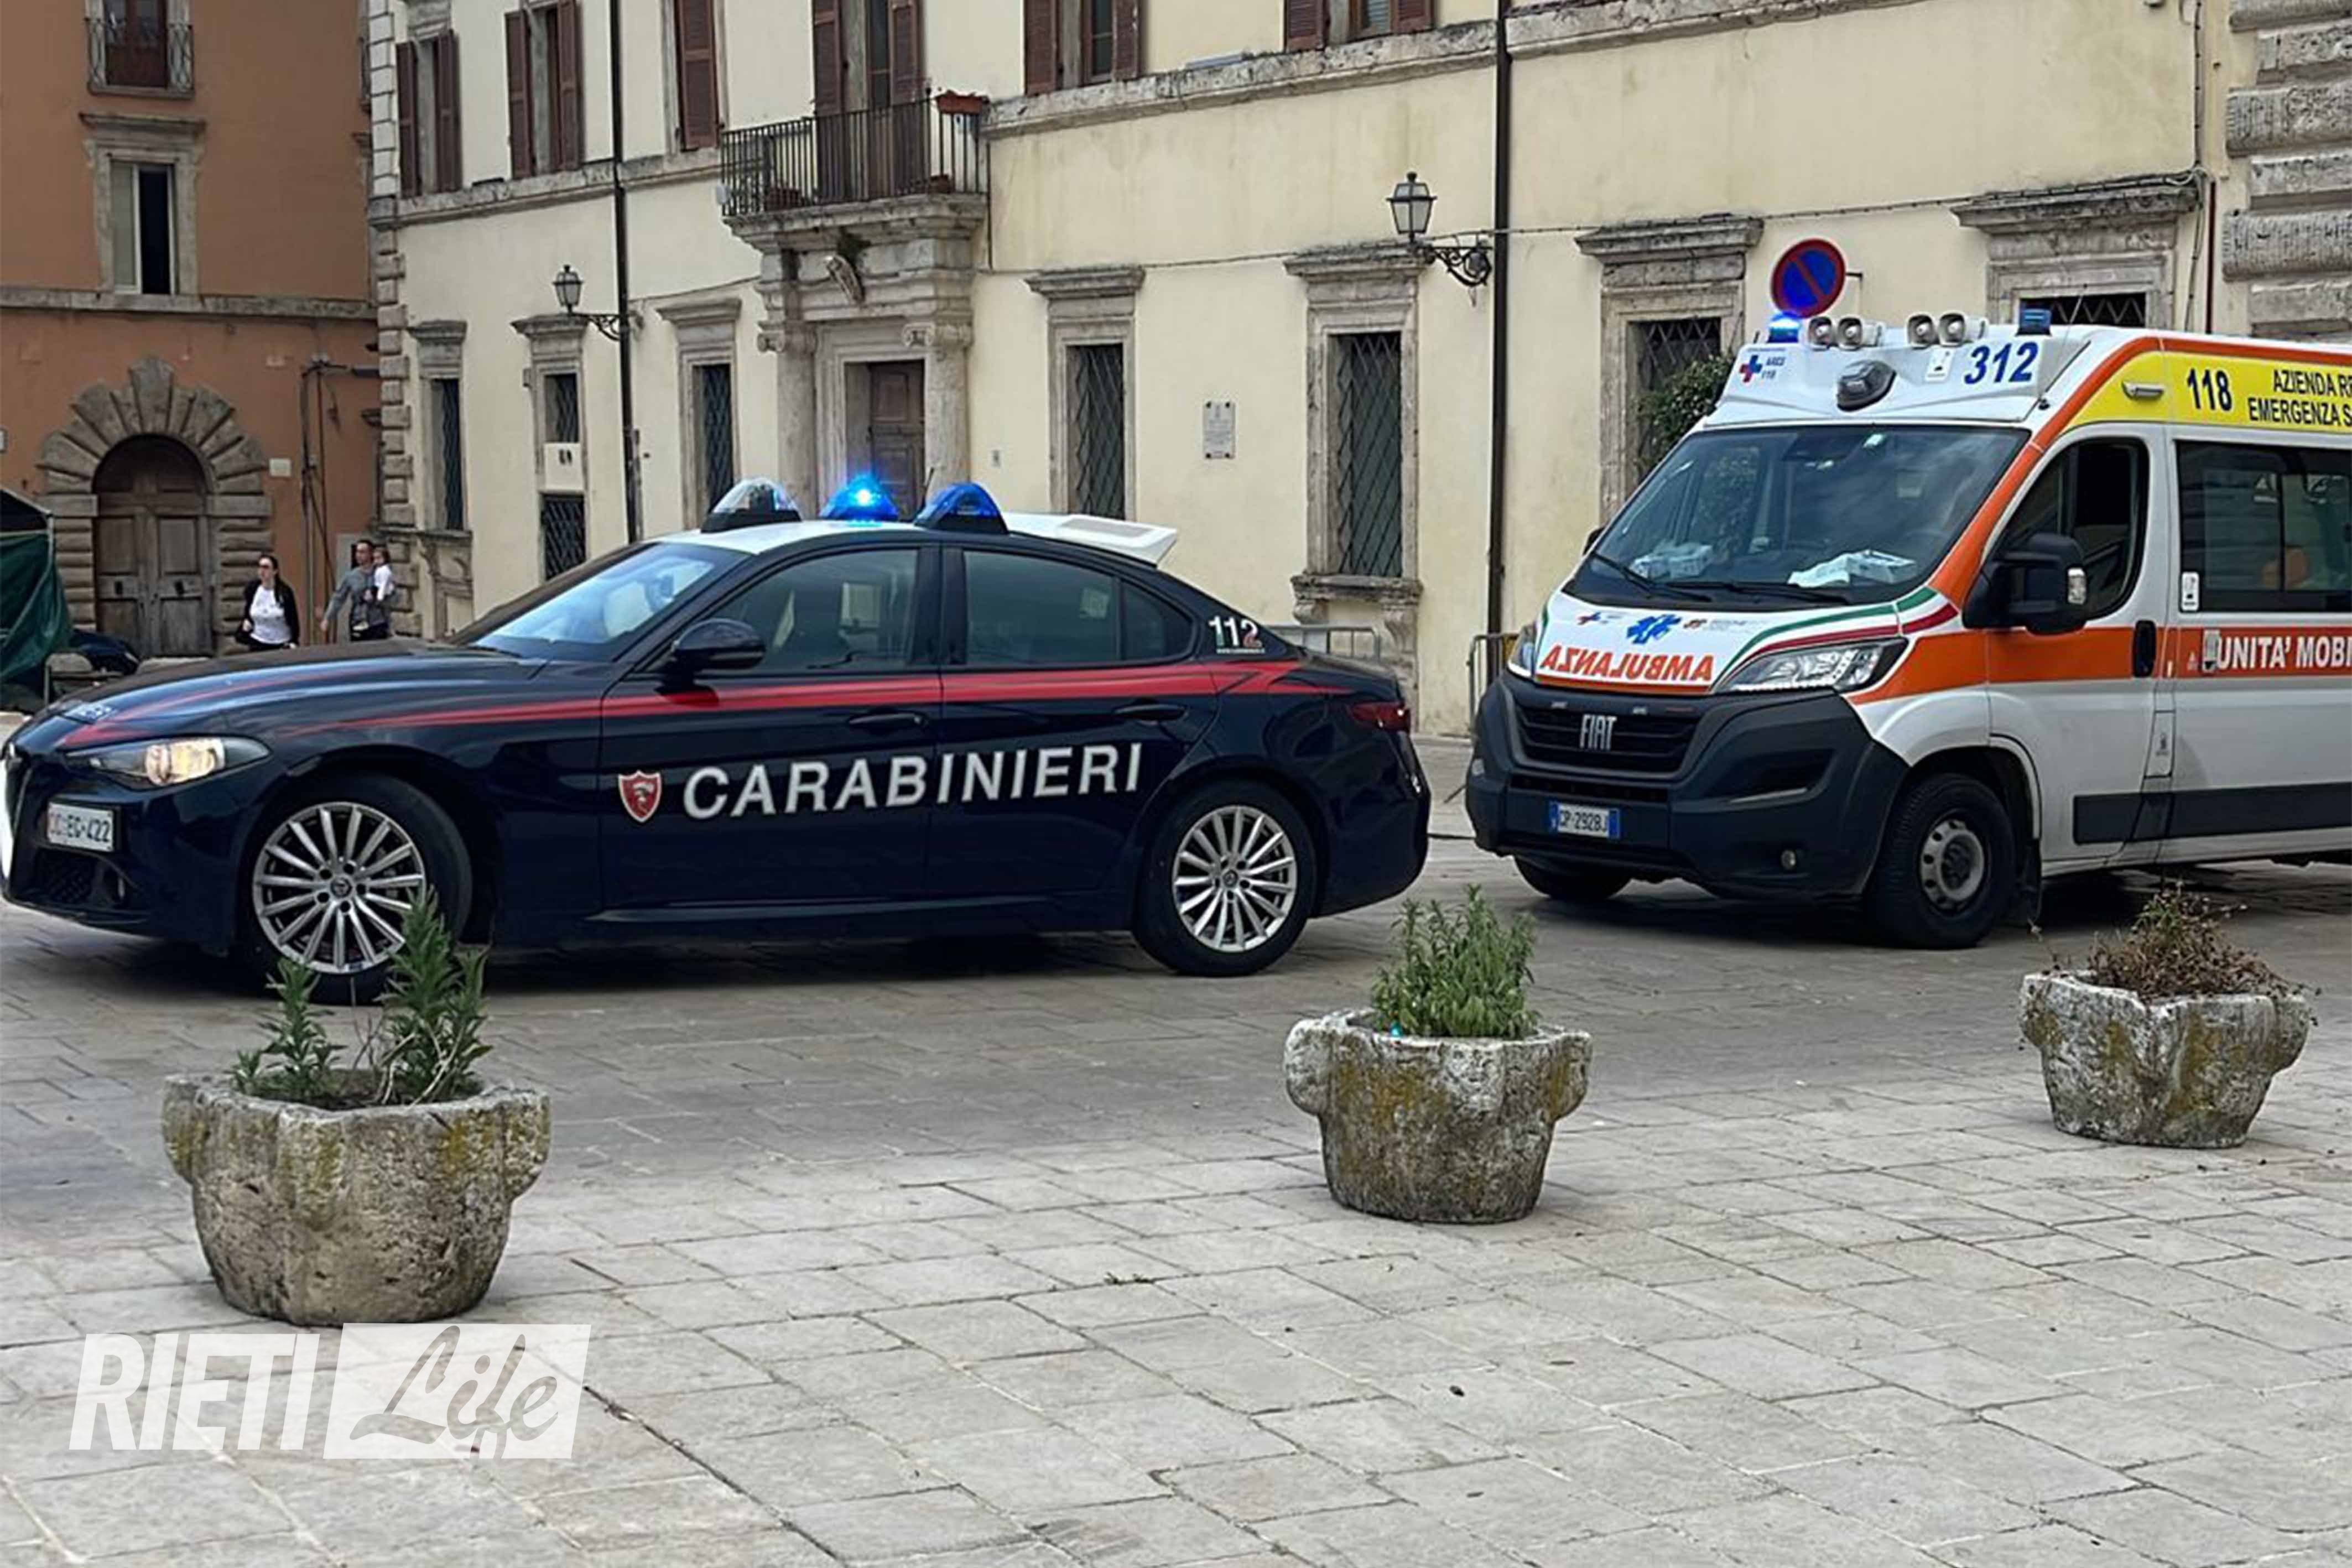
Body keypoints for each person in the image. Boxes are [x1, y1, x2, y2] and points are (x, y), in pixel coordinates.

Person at [322, 540, 393, 643]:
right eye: (357, 552)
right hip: (358, 620)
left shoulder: (382, 572)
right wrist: (328, 618)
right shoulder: (351, 576)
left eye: (362, 552)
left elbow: (392, 593)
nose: (358, 555)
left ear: (371, 554)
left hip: (377, 621)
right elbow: (338, 597)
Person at [233, 553, 299, 653]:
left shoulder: (284, 593)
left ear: (275, 571)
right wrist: (247, 623)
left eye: (266, 567)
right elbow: (248, 611)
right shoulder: (253, 589)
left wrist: (294, 641)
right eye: (260, 567)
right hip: (257, 641)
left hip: (280, 643)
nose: (262, 571)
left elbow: (293, 619)